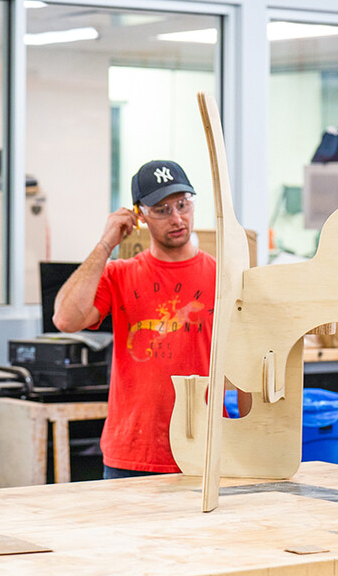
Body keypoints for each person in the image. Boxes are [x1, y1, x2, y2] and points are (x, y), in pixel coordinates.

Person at [53, 160, 216, 478]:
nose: (177, 218)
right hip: (132, 454)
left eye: (182, 204)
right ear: (139, 215)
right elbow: (65, 319)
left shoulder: (222, 274)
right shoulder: (119, 274)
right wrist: (105, 245)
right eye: (162, 209)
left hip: (204, 448)